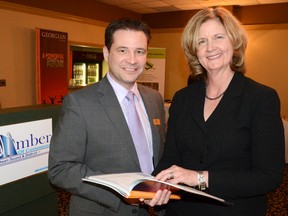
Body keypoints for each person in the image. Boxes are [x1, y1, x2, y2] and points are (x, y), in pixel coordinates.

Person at [148, 7, 285, 215]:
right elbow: (170, 159)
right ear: (195, 50)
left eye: (218, 37)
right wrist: (154, 185)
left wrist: (199, 178)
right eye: (201, 41)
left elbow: (268, 176)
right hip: (182, 210)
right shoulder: (182, 98)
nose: (210, 47)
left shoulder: (260, 98)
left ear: (234, 42)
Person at [48, 18, 167, 216]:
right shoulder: (80, 103)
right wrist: (121, 192)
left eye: (140, 51)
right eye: (122, 50)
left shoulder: (154, 99)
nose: (132, 59)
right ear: (106, 53)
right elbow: (60, 169)